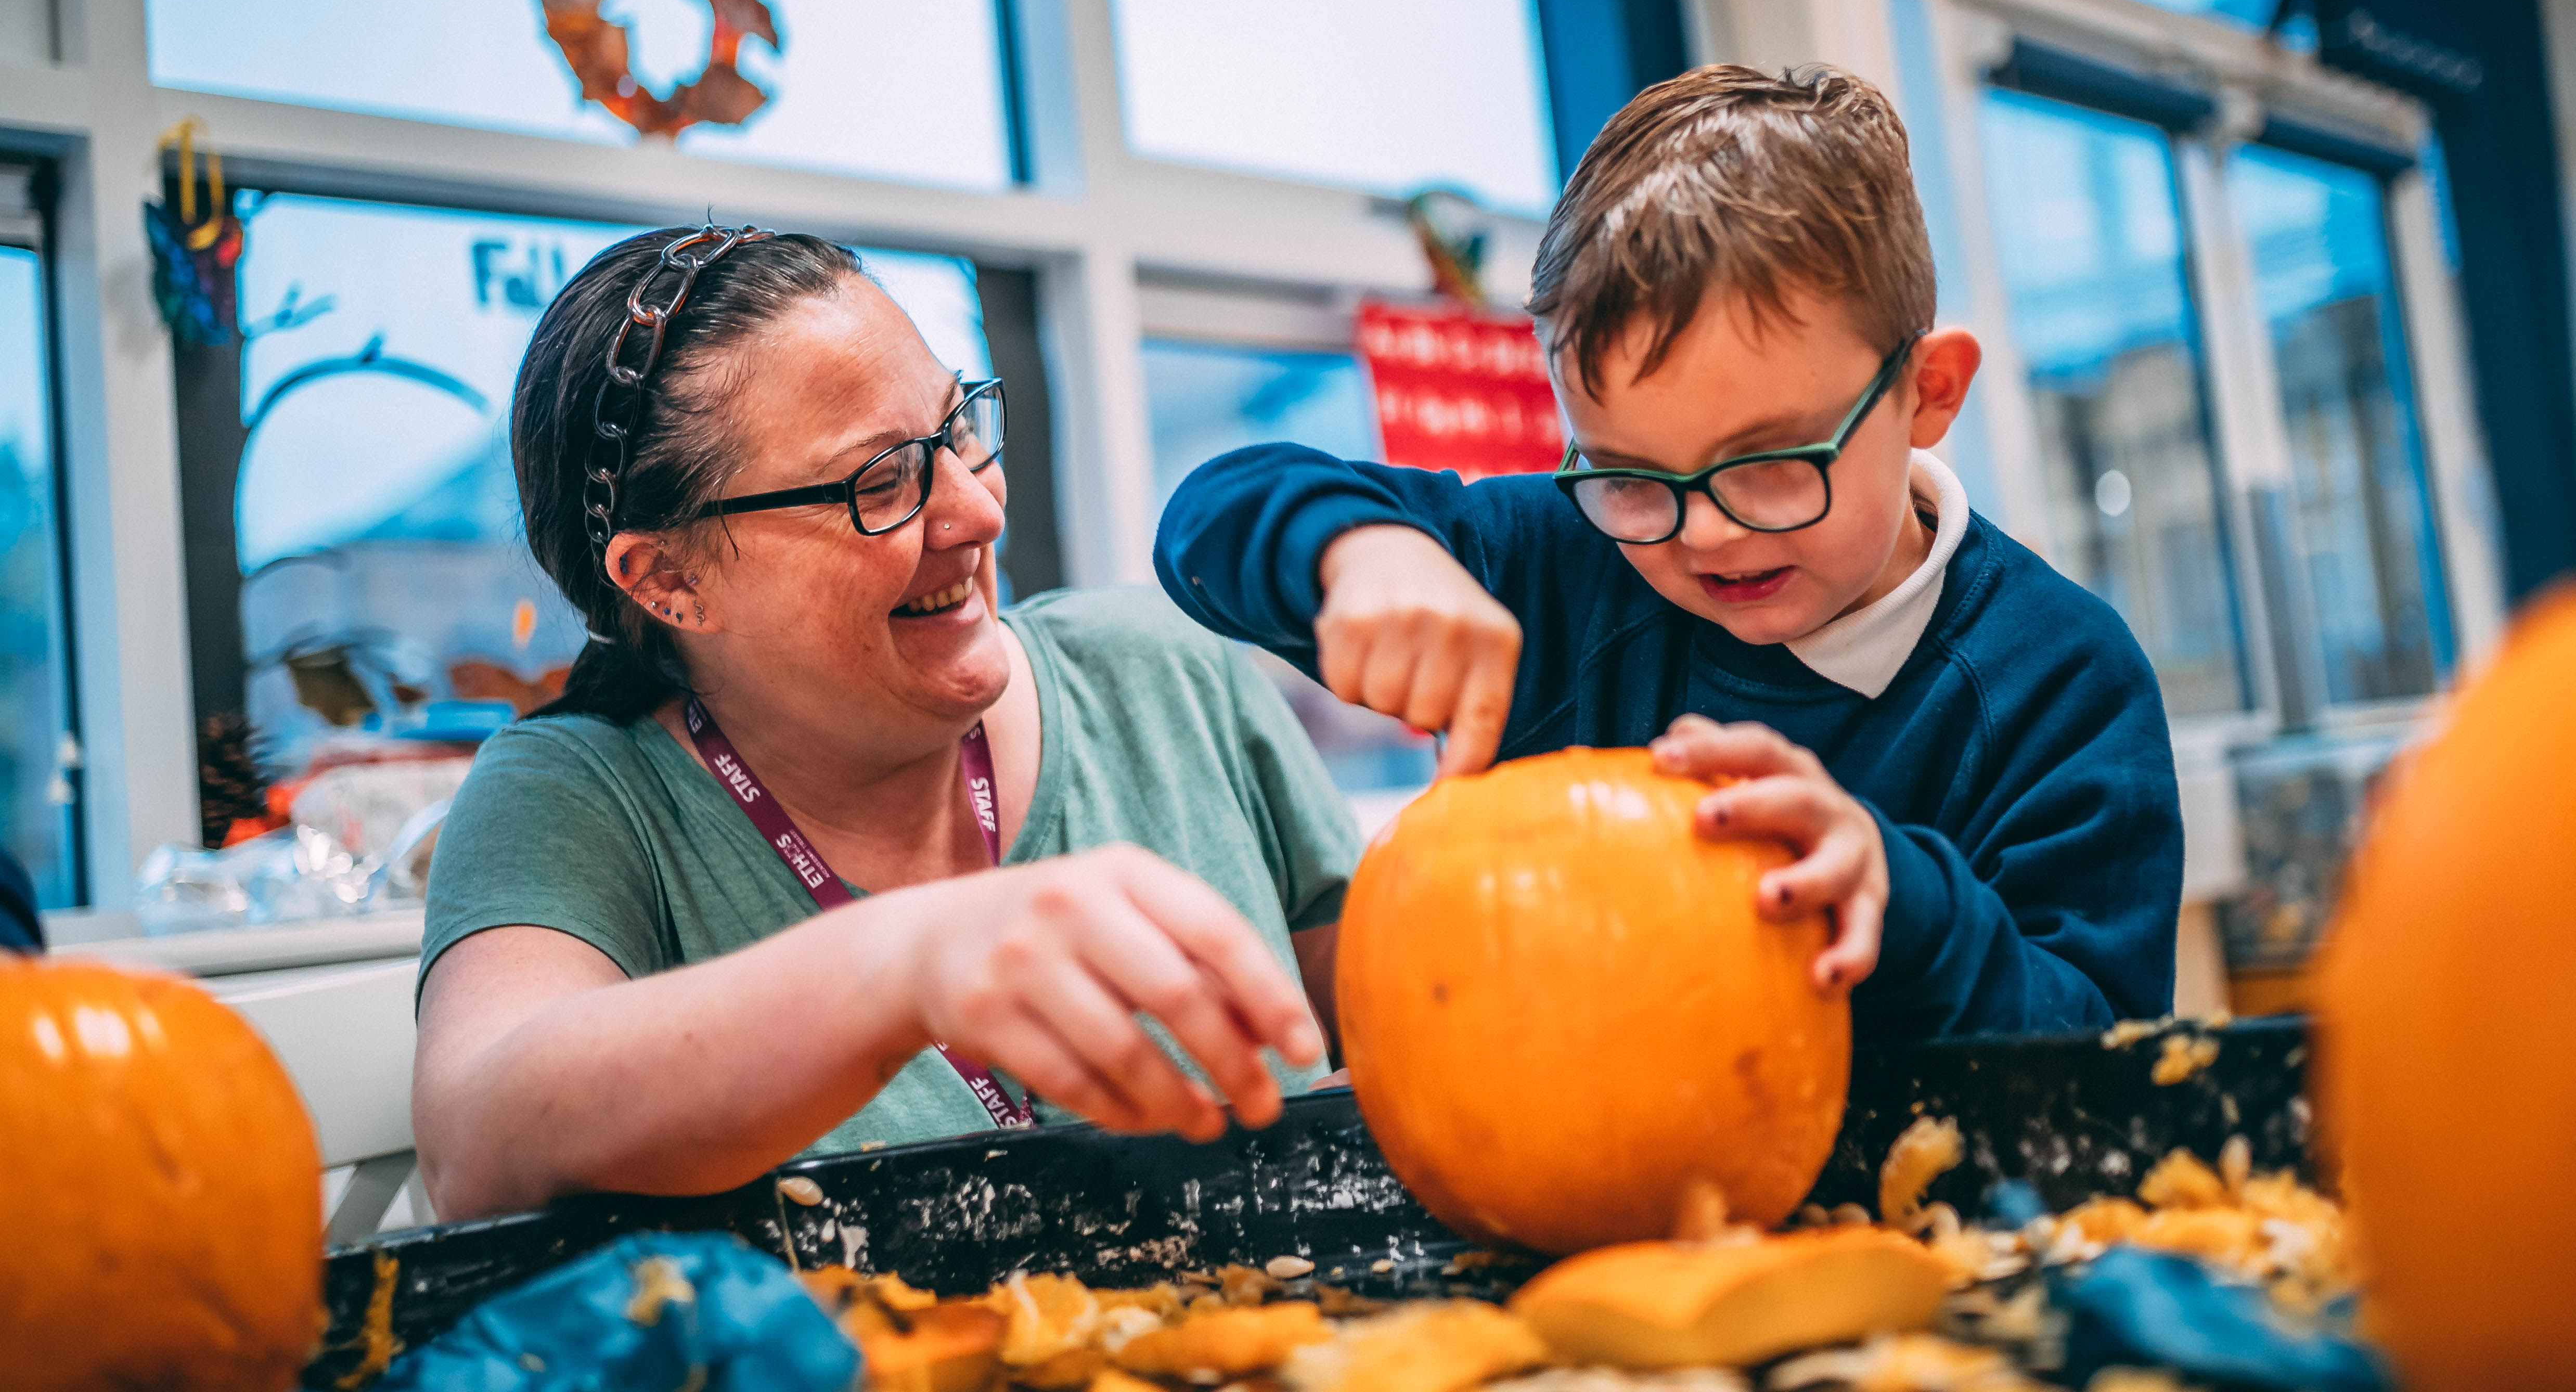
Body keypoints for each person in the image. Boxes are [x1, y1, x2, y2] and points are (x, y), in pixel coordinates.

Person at [1156, 64, 2183, 1045]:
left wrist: (1898, 897)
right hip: (1554, 1193)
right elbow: (1210, 516)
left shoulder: (2058, 676)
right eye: (1632, 475)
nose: (1703, 532)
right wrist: (1359, 548)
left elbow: (2104, 1055)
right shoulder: (1559, 561)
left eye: (1772, 464)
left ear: (1927, 393)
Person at [414, 226, 1355, 1222]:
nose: (977, 512)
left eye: (958, 432)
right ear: (672, 581)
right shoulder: (577, 796)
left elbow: (1411, 1055)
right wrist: (904, 964)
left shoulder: (1168, 676)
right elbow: (480, 1144)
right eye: (881, 482)